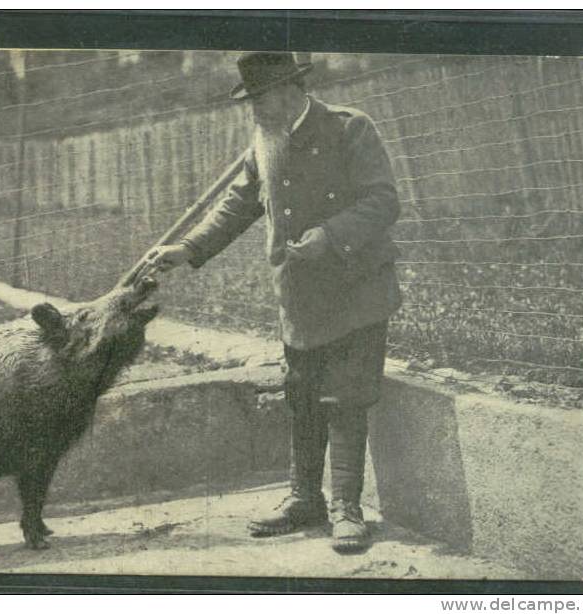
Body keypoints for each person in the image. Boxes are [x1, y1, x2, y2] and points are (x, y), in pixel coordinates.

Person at [143, 51, 402, 553]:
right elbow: (238, 205)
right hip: (300, 298)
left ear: (288, 91)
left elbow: (383, 201)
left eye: (256, 99)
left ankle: (346, 508)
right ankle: (305, 499)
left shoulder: (350, 128)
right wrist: (189, 249)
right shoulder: (265, 140)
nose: (252, 110)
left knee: (345, 398)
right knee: (301, 397)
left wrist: (330, 235)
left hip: (357, 290)